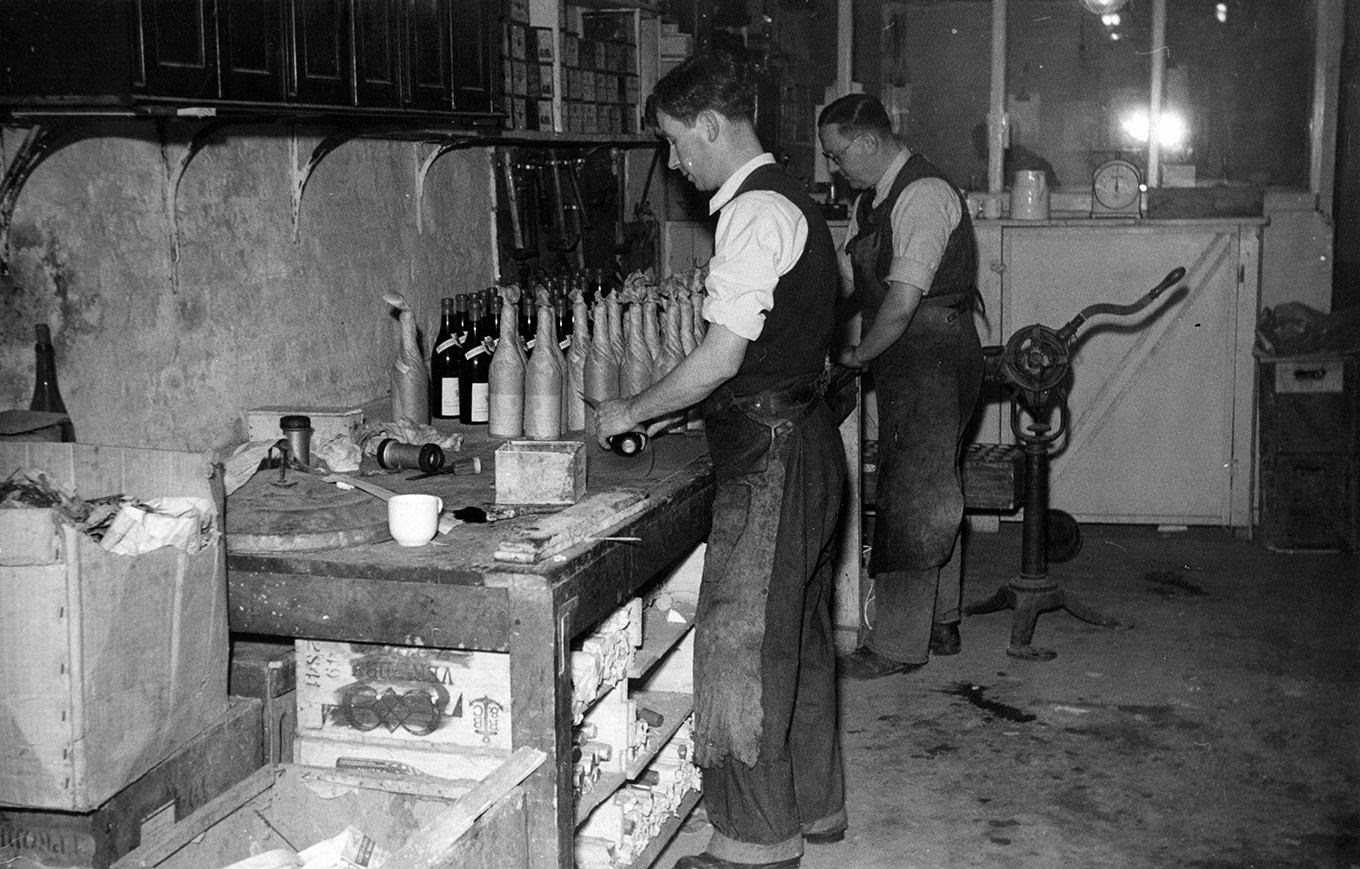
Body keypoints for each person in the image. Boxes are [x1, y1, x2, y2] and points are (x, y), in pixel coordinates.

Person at [594, 51, 847, 869]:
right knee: (798, 642)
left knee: (740, 643)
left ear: (709, 125)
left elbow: (719, 359)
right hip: (808, 442)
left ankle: (753, 844)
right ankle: (814, 804)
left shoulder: (750, 213)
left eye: (675, 142)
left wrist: (628, 410)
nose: (675, 163)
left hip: (771, 459)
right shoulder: (795, 198)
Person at [818, 93, 984, 680]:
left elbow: (902, 300)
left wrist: (858, 356)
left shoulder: (922, 194)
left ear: (868, 142)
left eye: (838, 156)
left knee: (913, 491)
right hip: (913, 350)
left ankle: (895, 645)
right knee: (935, 480)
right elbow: (846, 274)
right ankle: (940, 621)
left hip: (931, 350)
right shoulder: (874, 200)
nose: (835, 169)